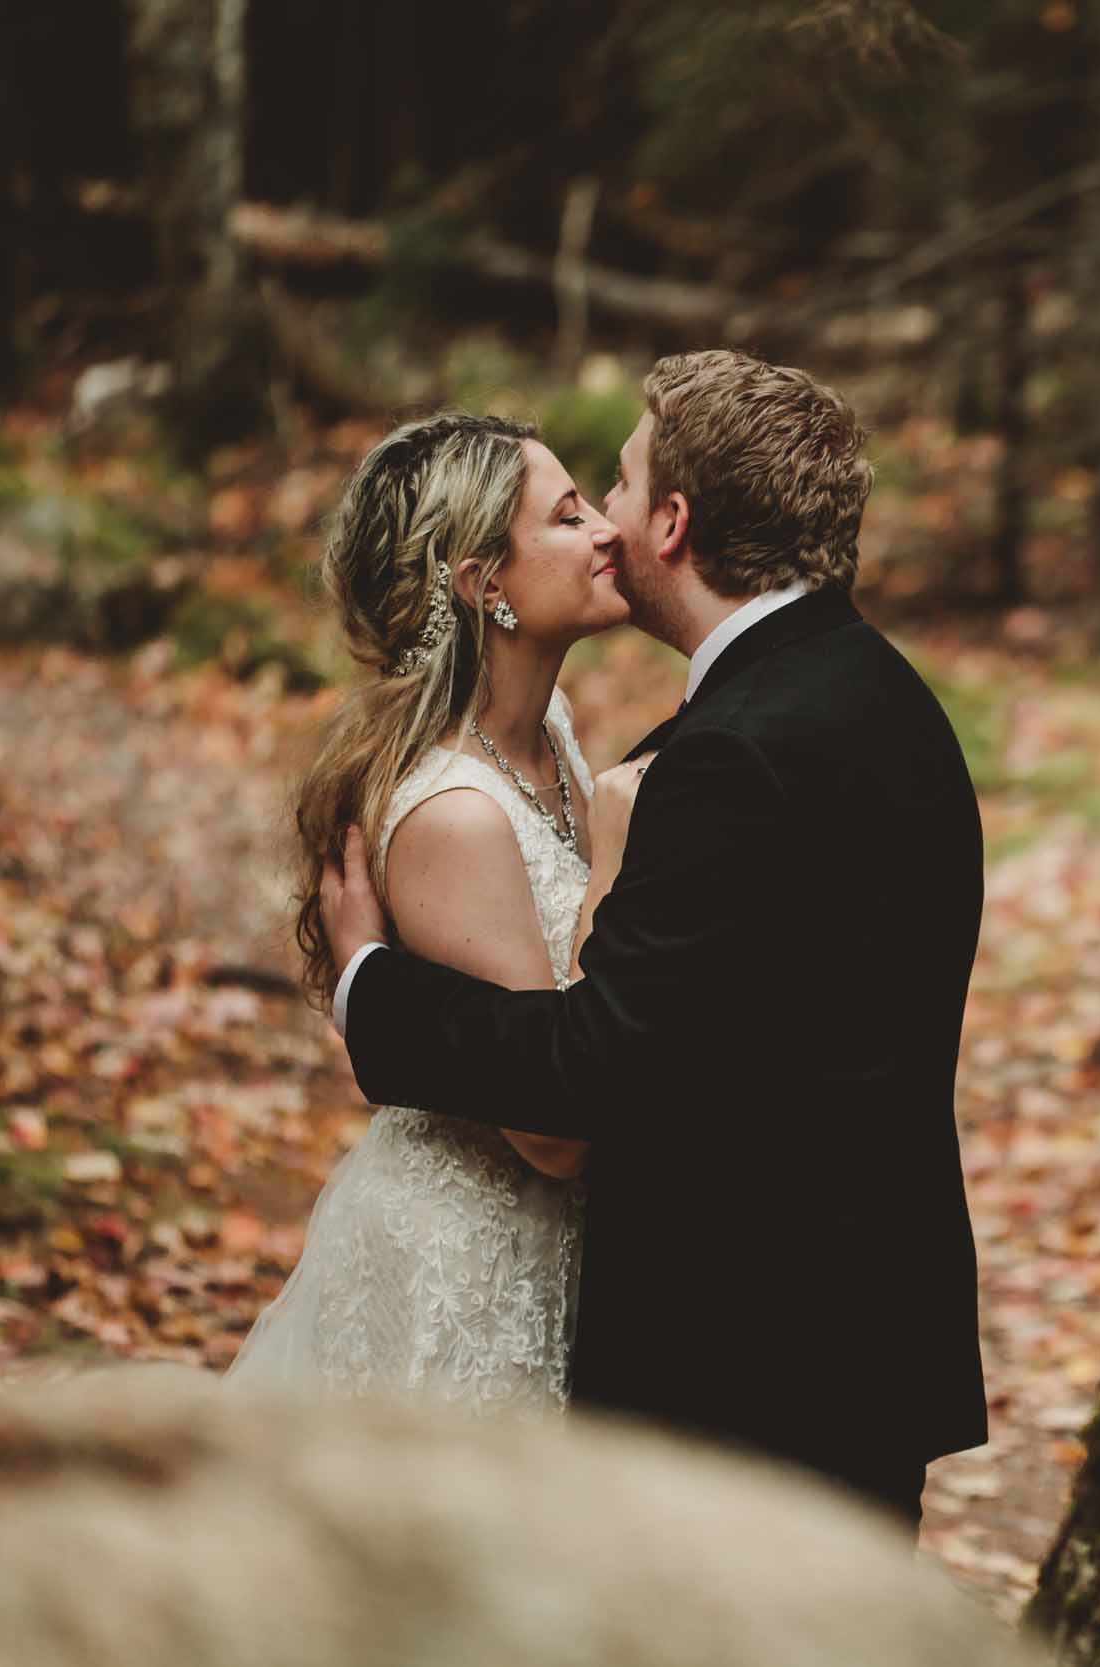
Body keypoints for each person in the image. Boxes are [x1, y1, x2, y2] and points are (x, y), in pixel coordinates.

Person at [316, 352, 987, 1531]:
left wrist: (373, 988)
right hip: (846, 1347)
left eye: (611, 489)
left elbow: (588, 1070)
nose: (604, 525)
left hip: (756, 1373)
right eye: (571, 506)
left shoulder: (733, 751)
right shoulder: (865, 690)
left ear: (673, 522)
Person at [231, 411, 636, 1411]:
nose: (603, 534)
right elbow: (552, 1131)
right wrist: (620, 861)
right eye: (567, 515)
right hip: (471, 1265)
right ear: (484, 584)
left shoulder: (549, 730)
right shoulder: (456, 812)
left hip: (550, 1248)